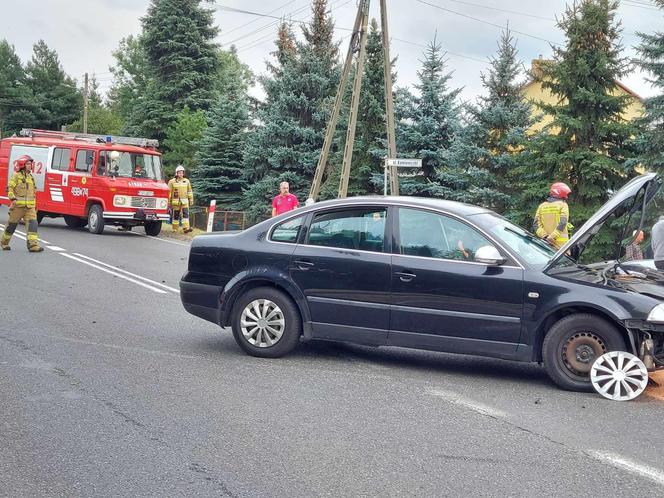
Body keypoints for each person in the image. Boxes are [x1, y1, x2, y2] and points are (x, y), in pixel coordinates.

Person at [1, 155, 44, 252]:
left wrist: (35, 205)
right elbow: (10, 188)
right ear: (22, 165)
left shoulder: (31, 177)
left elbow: (33, 192)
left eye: (30, 164)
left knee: (33, 225)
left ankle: (33, 246)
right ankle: (4, 242)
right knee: (11, 226)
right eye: (28, 164)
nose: (30, 165)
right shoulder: (16, 176)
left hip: (30, 208)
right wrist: (12, 199)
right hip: (17, 207)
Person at [533, 182, 572, 249]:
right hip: (561, 248)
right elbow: (563, 223)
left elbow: (536, 225)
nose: (566, 196)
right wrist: (551, 237)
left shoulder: (542, 206)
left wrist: (545, 237)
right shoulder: (563, 205)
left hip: (546, 246)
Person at [168, 165, 194, 233]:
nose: (181, 174)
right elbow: (169, 192)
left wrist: (191, 200)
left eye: (182, 172)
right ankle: (175, 229)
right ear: (176, 173)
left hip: (185, 202)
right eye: (179, 172)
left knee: (185, 215)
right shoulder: (172, 181)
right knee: (176, 216)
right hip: (175, 202)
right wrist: (168, 202)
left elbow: (189, 191)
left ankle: (186, 228)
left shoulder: (186, 181)